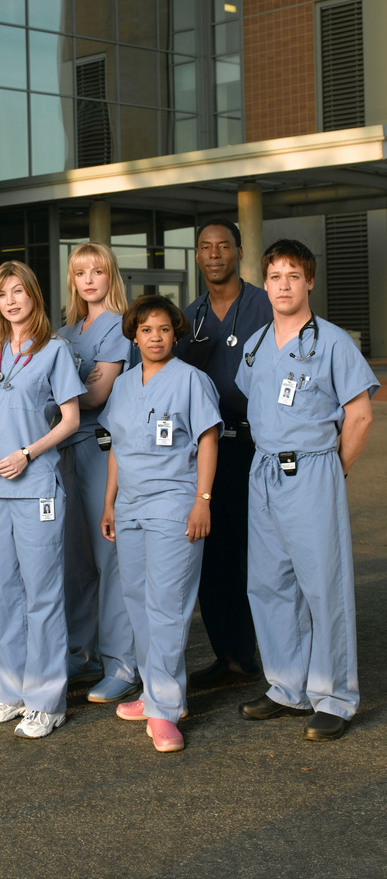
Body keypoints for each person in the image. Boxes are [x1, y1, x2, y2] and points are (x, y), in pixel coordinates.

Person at [236, 240, 378, 741]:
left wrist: (331, 473)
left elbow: (359, 415)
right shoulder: (255, 345)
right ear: (265, 284)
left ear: (310, 282)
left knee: (324, 585)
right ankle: (286, 688)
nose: (283, 285)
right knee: (270, 584)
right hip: (265, 472)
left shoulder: (334, 342)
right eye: (274, 277)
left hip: (313, 471)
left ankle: (335, 696)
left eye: (293, 276)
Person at [0, 261, 85, 739]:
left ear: (33, 295)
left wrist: (26, 454)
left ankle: (47, 700)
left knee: (43, 594)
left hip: (36, 487)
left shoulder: (54, 351)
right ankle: (11, 692)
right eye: (2, 294)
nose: (11, 301)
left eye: (19, 291)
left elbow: (70, 419)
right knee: (7, 593)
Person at [100, 295, 222, 753]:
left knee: (167, 605)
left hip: (174, 504)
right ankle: (156, 691)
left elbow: (209, 441)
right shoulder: (125, 385)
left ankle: (165, 710)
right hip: (129, 507)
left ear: (176, 333)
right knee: (137, 602)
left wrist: (202, 501)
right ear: (134, 334)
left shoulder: (193, 381)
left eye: (164, 329)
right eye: (146, 329)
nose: (155, 337)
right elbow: (118, 447)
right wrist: (109, 504)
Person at [174, 219, 272, 689]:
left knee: (266, 556)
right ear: (197, 256)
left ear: (237, 252)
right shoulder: (188, 317)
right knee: (214, 559)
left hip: (258, 448)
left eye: (223, 246)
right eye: (206, 247)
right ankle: (232, 657)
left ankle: (279, 658)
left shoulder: (265, 305)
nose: (214, 254)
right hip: (209, 452)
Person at [57, 242, 138, 703]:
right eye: (80, 272)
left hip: (98, 449)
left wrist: (50, 393)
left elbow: (96, 395)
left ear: (111, 277)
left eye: (98, 271)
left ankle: (122, 662)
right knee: (76, 561)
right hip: (66, 451)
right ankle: (79, 652)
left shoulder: (119, 329)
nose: (89, 279)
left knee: (110, 559)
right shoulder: (67, 331)